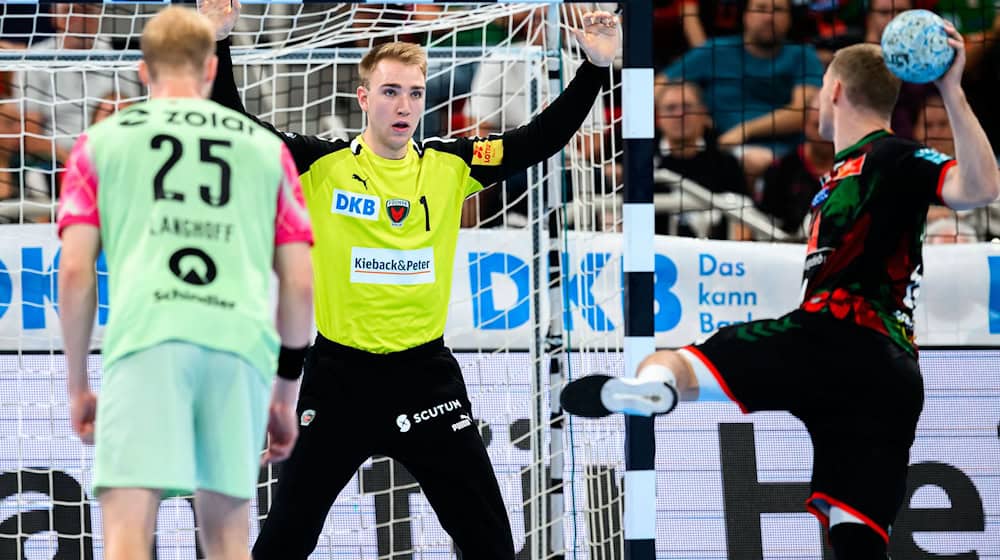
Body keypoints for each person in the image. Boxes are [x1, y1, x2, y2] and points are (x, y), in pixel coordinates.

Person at [198, 0, 619, 558]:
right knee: (283, 540)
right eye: (391, 91)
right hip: (339, 378)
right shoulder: (321, 166)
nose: (404, 106)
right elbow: (236, 132)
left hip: (425, 379)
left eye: (415, 93)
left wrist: (593, 67)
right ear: (364, 98)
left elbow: (539, 140)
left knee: (489, 542)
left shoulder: (453, 162)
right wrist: (220, 43)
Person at [561, 34, 1000, 560]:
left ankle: (654, 388)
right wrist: (950, 92)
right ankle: (658, 389)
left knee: (675, 361)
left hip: (825, 334)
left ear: (833, 91)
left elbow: (979, 189)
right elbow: (977, 192)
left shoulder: (892, 155)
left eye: (818, 89)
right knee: (856, 536)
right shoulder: (850, 169)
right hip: (890, 372)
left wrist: (953, 90)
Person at [56, 7, 313, 560]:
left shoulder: (102, 142)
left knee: (127, 540)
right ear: (211, 69)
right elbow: (298, 284)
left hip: (147, 341)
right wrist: (284, 396)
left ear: (144, 73)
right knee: (226, 546)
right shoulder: (266, 149)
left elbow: (76, 271)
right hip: (238, 347)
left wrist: (78, 383)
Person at [663, 0, 824, 184]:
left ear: (789, 18)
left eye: (778, 10)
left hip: (788, 156)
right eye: (761, 9)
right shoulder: (715, 50)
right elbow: (658, 87)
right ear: (745, 15)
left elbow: (801, 113)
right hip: (717, 152)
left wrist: (744, 131)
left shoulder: (802, 56)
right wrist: (697, 113)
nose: (769, 17)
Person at [653, 80, 745, 238]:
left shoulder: (725, 162)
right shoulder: (641, 162)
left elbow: (745, 222)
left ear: (703, 113)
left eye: (687, 107)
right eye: (671, 108)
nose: (679, 114)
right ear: (659, 118)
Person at [758, 94, 834, 238]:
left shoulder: (852, 169)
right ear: (804, 125)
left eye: (830, 127)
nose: (823, 134)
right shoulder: (781, 170)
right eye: (817, 125)